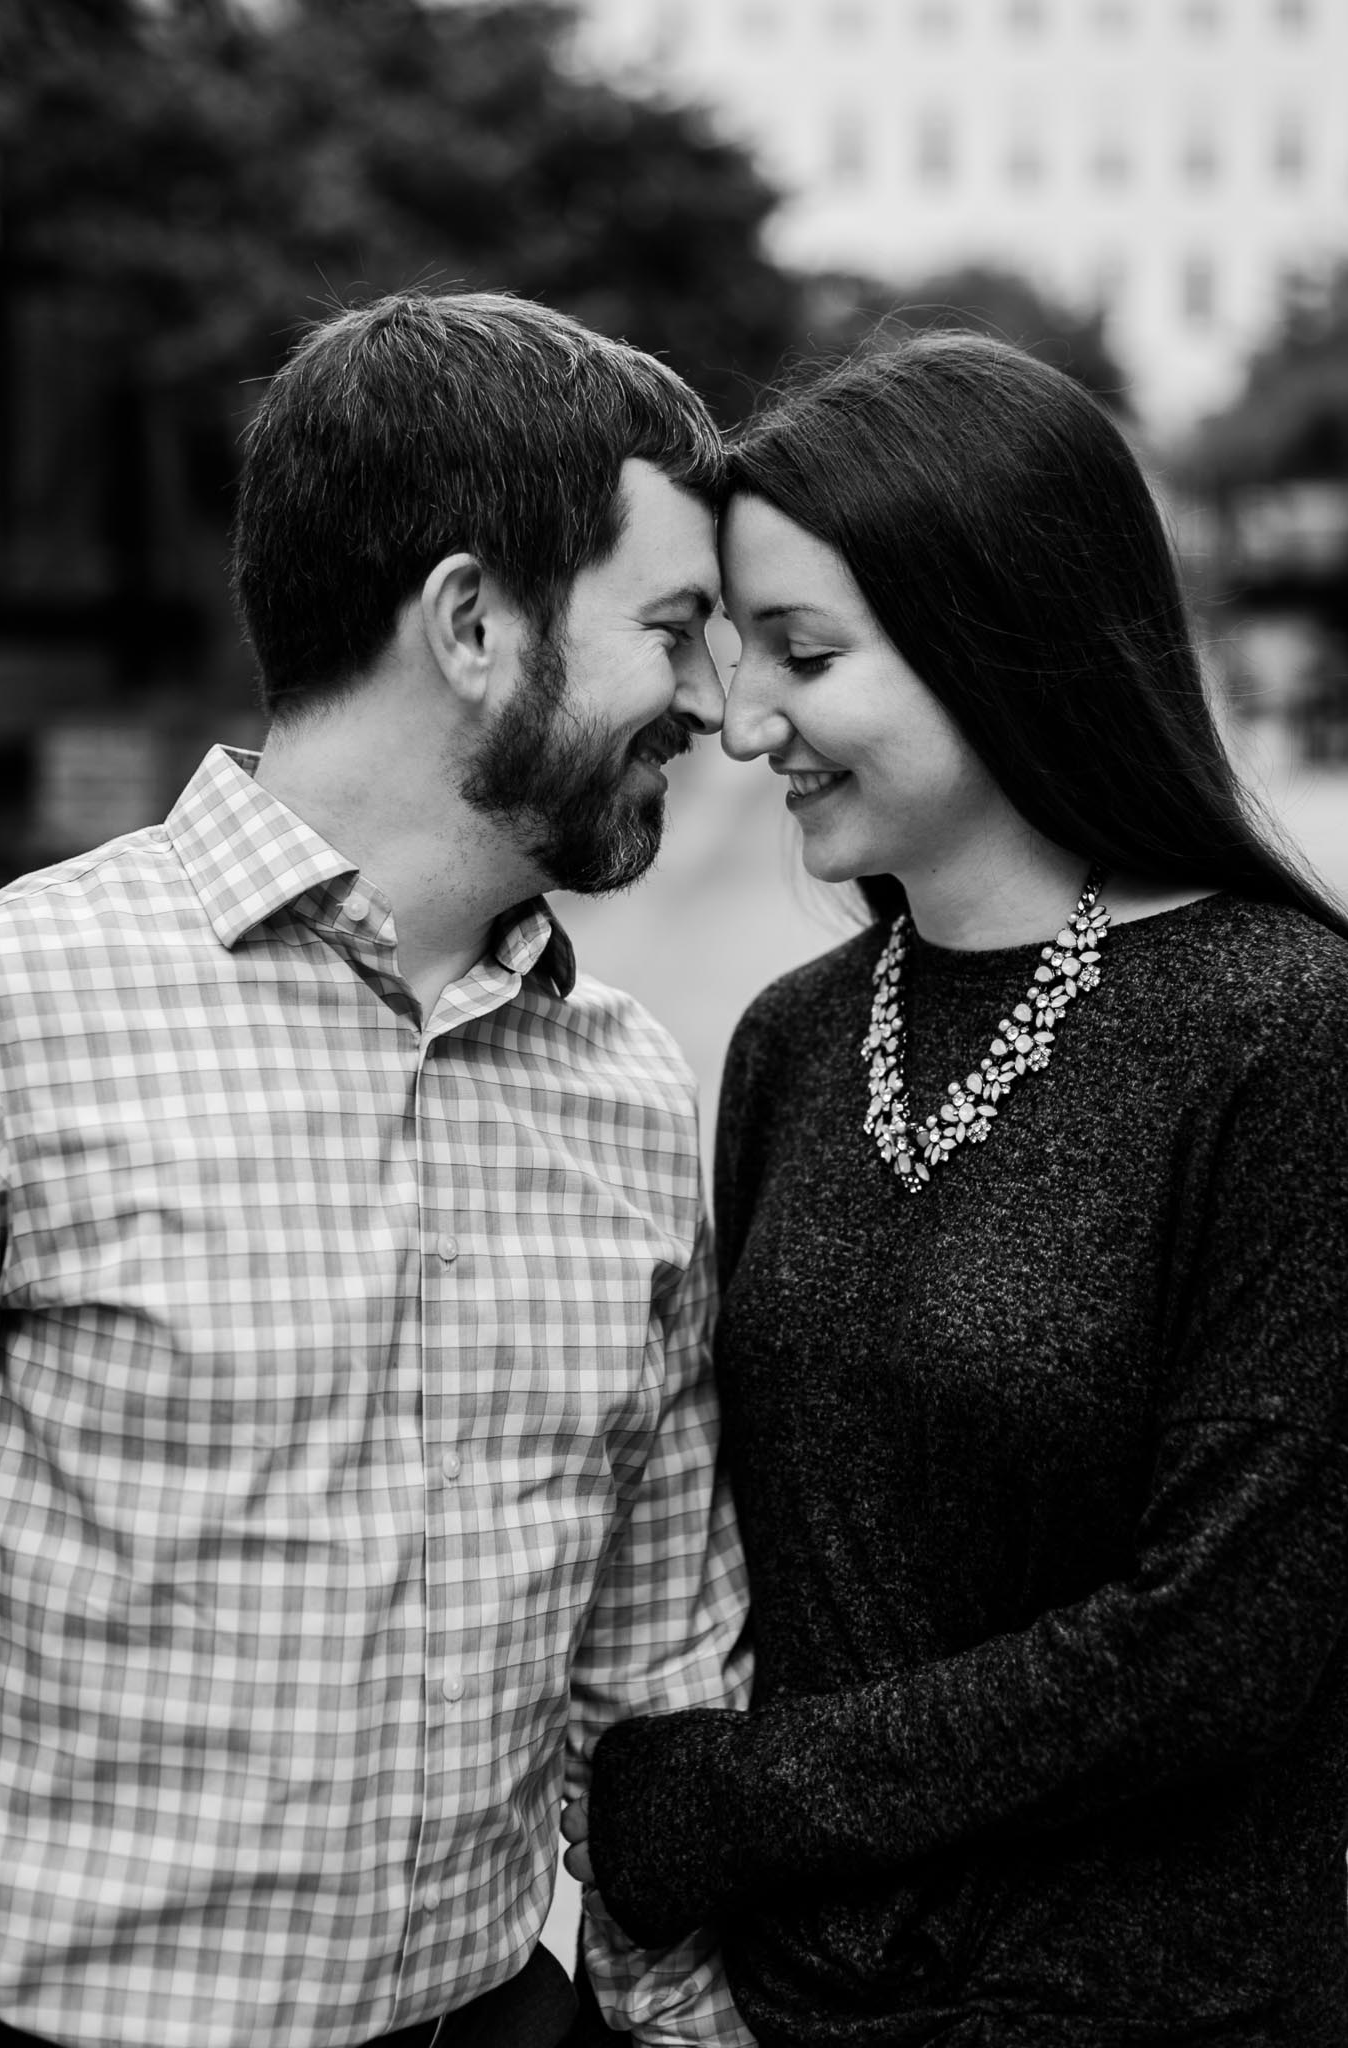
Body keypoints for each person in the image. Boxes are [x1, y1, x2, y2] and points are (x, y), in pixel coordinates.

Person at [0, 291, 756, 2048]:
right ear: (475, 622)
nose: (713, 704)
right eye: (673, 628)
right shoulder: (14, 1010)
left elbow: (653, 1677)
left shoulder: (626, 1084)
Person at [563, 333, 1348, 2045]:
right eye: (727, 649)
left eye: (804, 654)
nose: (744, 718)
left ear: (1004, 639)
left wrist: (732, 1801)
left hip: (1140, 2003)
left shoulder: (1282, 1032)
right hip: (789, 2004)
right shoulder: (789, 1040)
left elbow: (1221, 1644)